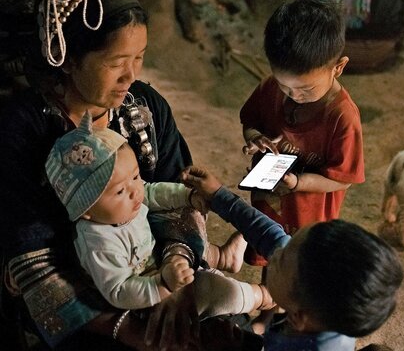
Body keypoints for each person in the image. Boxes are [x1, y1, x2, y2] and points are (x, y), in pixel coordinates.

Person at [0, 0, 238, 350]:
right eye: (114, 63)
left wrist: (174, 276)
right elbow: (31, 252)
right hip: (82, 295)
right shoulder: (23, 130)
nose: (130, 76)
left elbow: (174, 199)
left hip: (159, 271)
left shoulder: (147, 108)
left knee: (226, 328)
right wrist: (125, 327)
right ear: (68, 58)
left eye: (138, 58)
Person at [45, 112, 274, 318]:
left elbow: (152, 192)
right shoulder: (98, 242)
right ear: (85, 211)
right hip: (147, 300)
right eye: (120, 191)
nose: (135, 190)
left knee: (181, 217)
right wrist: (163, 284)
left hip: (164, 263)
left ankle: (222, 258)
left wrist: (188, 196)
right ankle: (261, 296)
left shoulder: (128, 200)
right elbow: (118, 291)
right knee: (221, 293)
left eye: (135, 176)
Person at [181, 166, 404, 351]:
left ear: (297, 317)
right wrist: (219, 194)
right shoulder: (315, 290)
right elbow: (270, 235)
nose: (276, 252)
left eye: (279, 261)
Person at [240, 0, 365, 266]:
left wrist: (299, 183)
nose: (294, 95)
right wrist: (254, 139)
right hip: (269, 205)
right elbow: (250, 122)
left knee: (298, 269)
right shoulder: (270, 88)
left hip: (308, 216)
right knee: (270, 257)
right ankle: (266, 306)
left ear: (338, 68)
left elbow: (342, 179)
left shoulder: (342, 117)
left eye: (306, 89)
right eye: (286, 86)